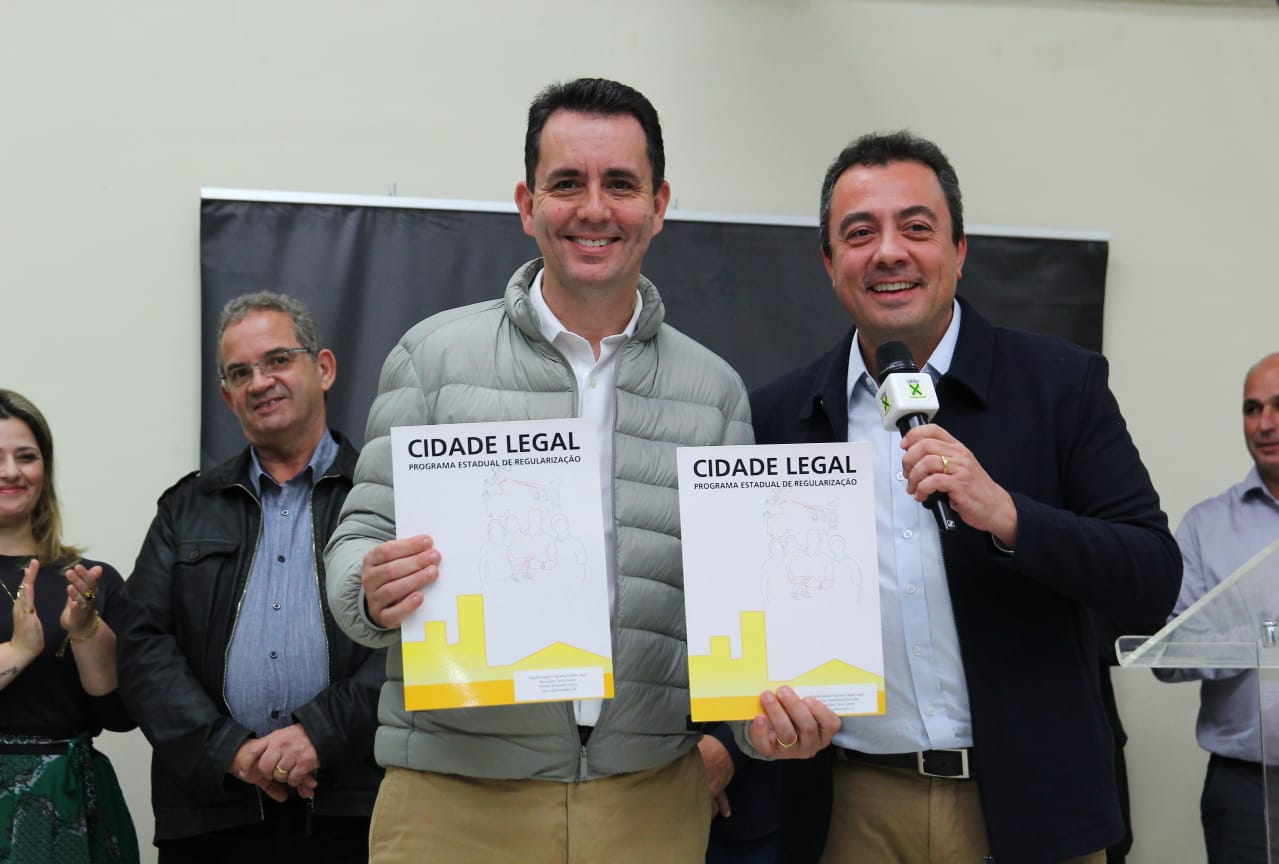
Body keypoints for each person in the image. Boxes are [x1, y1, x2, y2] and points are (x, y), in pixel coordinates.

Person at [323, 77, 752, 864]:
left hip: (648, 801)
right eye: (566, 184)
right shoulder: (431, 358)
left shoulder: (716, 393)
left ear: (659, 205)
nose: (594, 209)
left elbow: (742, 607)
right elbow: (358, 540)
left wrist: (762, 725)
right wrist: (370, 588)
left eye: (620, 184)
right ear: (527, 205)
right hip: (453, 798)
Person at [740, 131, 1182, 864]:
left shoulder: (1060, 385)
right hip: (848, 806)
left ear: (959, 250)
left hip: (1033, 807)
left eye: (916, 228)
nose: (889, 253)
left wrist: (1008, 515)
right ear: (829, 262)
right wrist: (756, 721)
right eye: (860, 233)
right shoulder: (777, 417)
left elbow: (1153, 580)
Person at [115, 293, 384, 863]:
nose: (260, 382)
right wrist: (230, 751)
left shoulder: (384, 498)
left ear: (324, 368)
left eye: (278, 360)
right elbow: (142, 647)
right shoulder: (185, 508)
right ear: (227, 395)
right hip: (214, 815)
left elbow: (419, 644)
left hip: (355, 809)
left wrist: (319, 734)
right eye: (240, 373)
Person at [1157, 351, 1279, 864]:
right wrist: (1269, 629)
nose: (1265, 423)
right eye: (1252, 408)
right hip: (1247, 791)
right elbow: (1169, 654)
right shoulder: (1207, 526)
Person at [0, 388, 139, 864]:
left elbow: (119, 716)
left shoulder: (90, 580)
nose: (11, 472)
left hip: (68, 806)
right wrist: (20, 650)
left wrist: (84, 630)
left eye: (26, 457)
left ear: (46, 469)